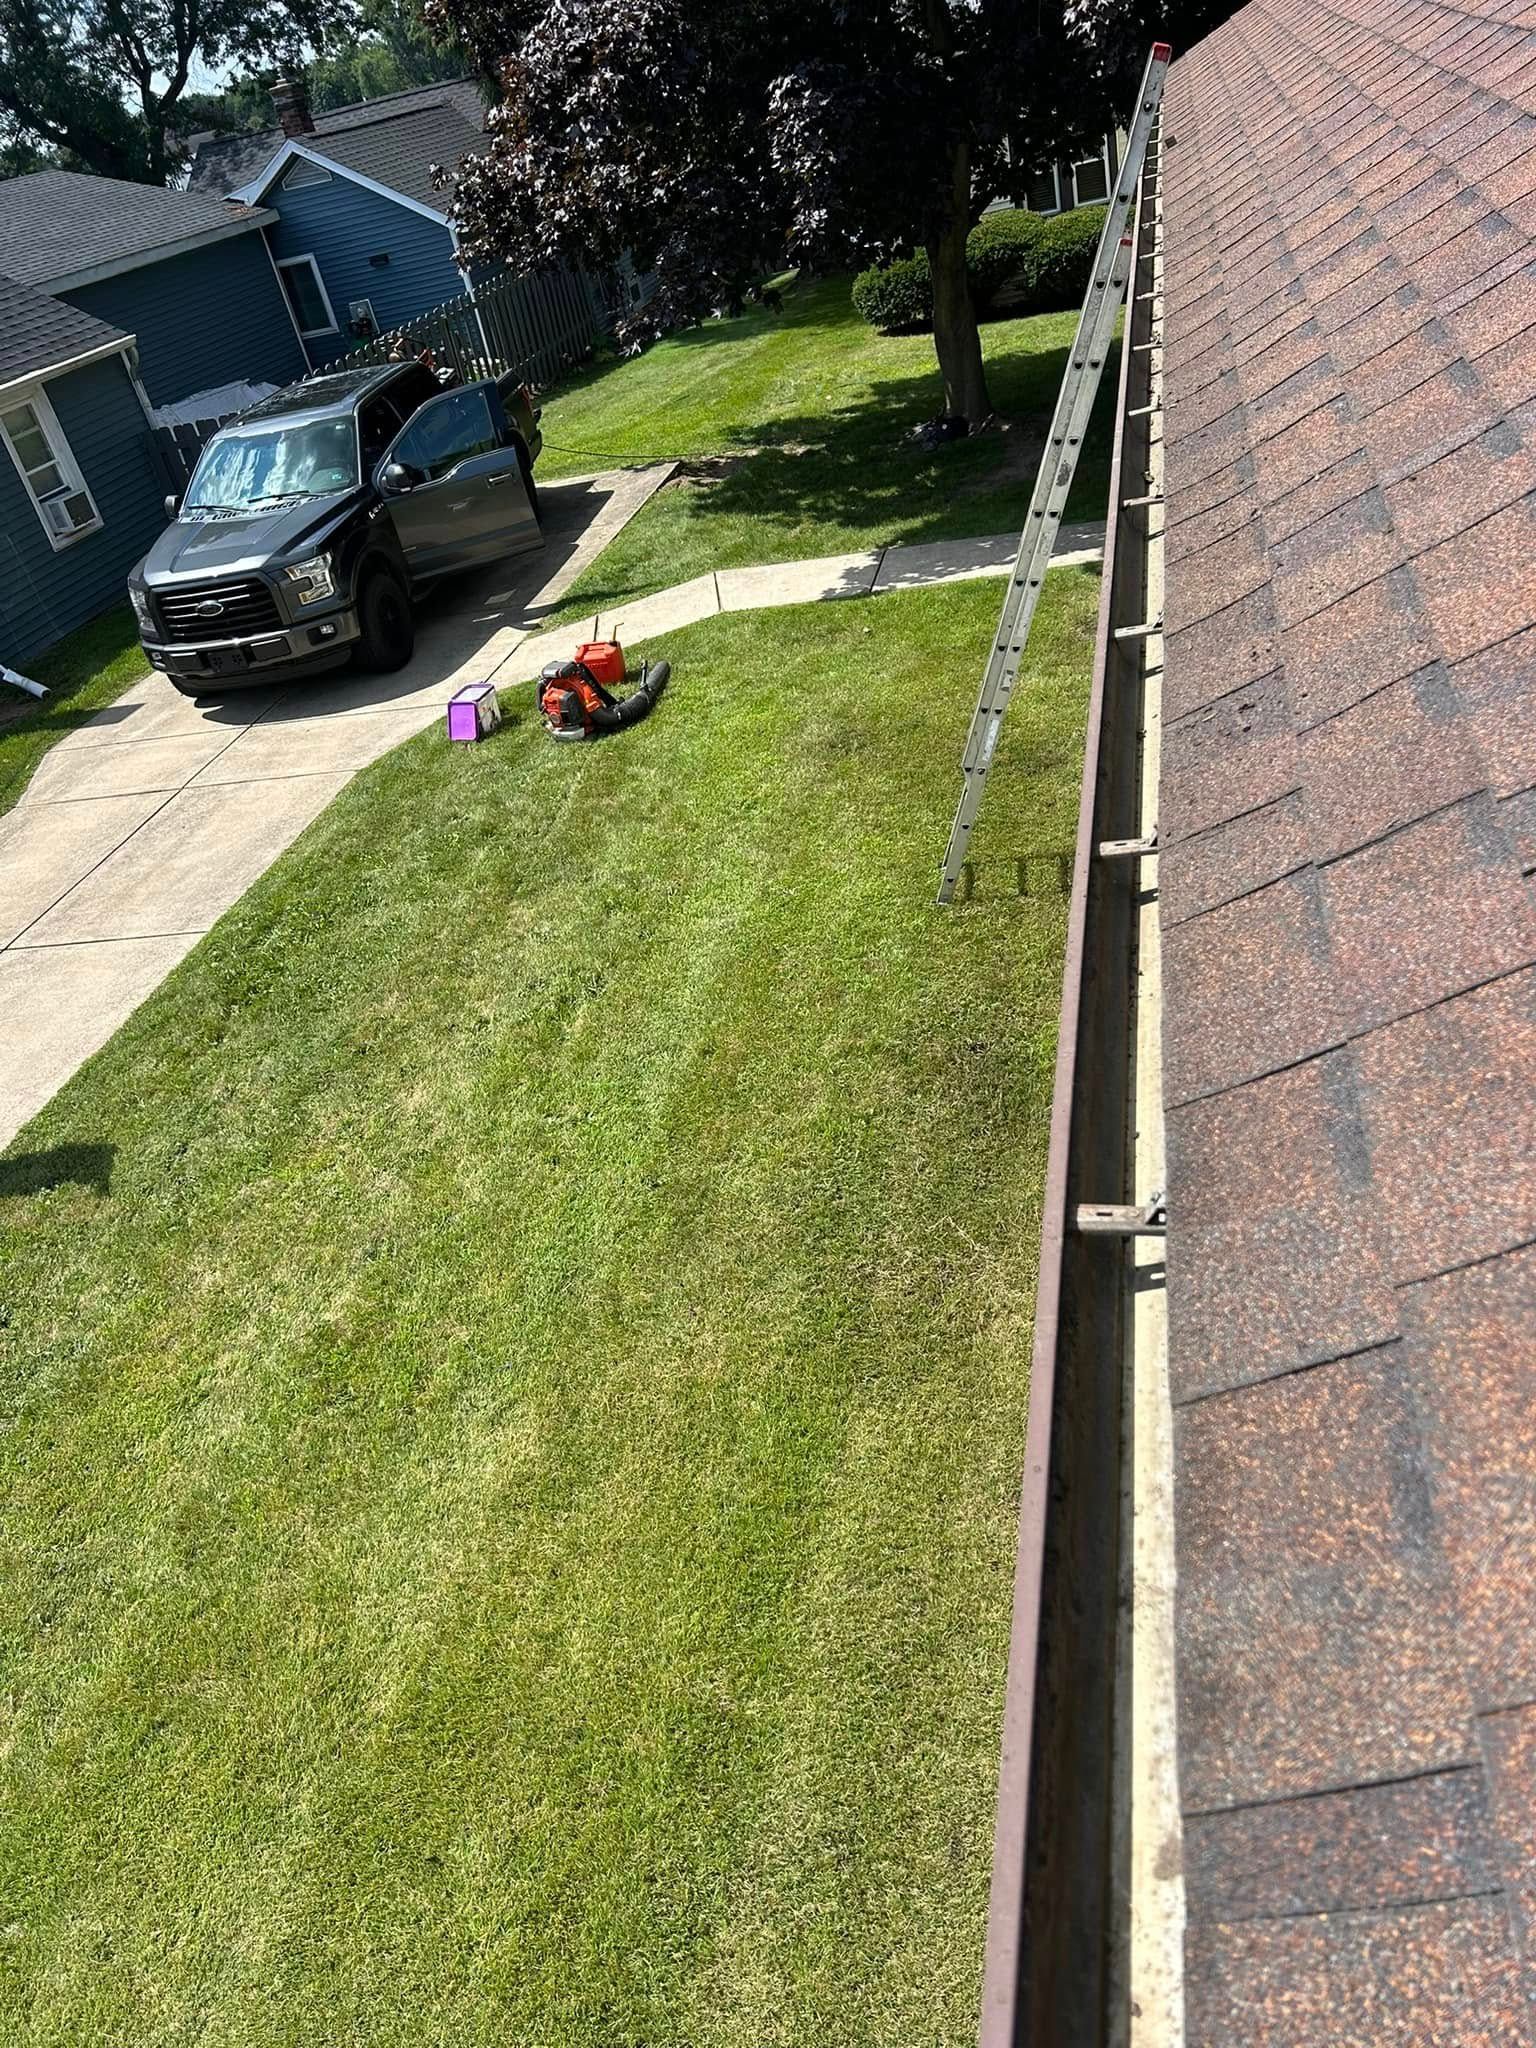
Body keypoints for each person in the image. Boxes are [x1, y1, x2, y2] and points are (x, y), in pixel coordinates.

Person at [538, 657, 670, 741]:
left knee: (661, 668)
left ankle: (662, 666)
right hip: (584, 717)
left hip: (585, 715)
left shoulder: (580, 691)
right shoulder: (566, 690)